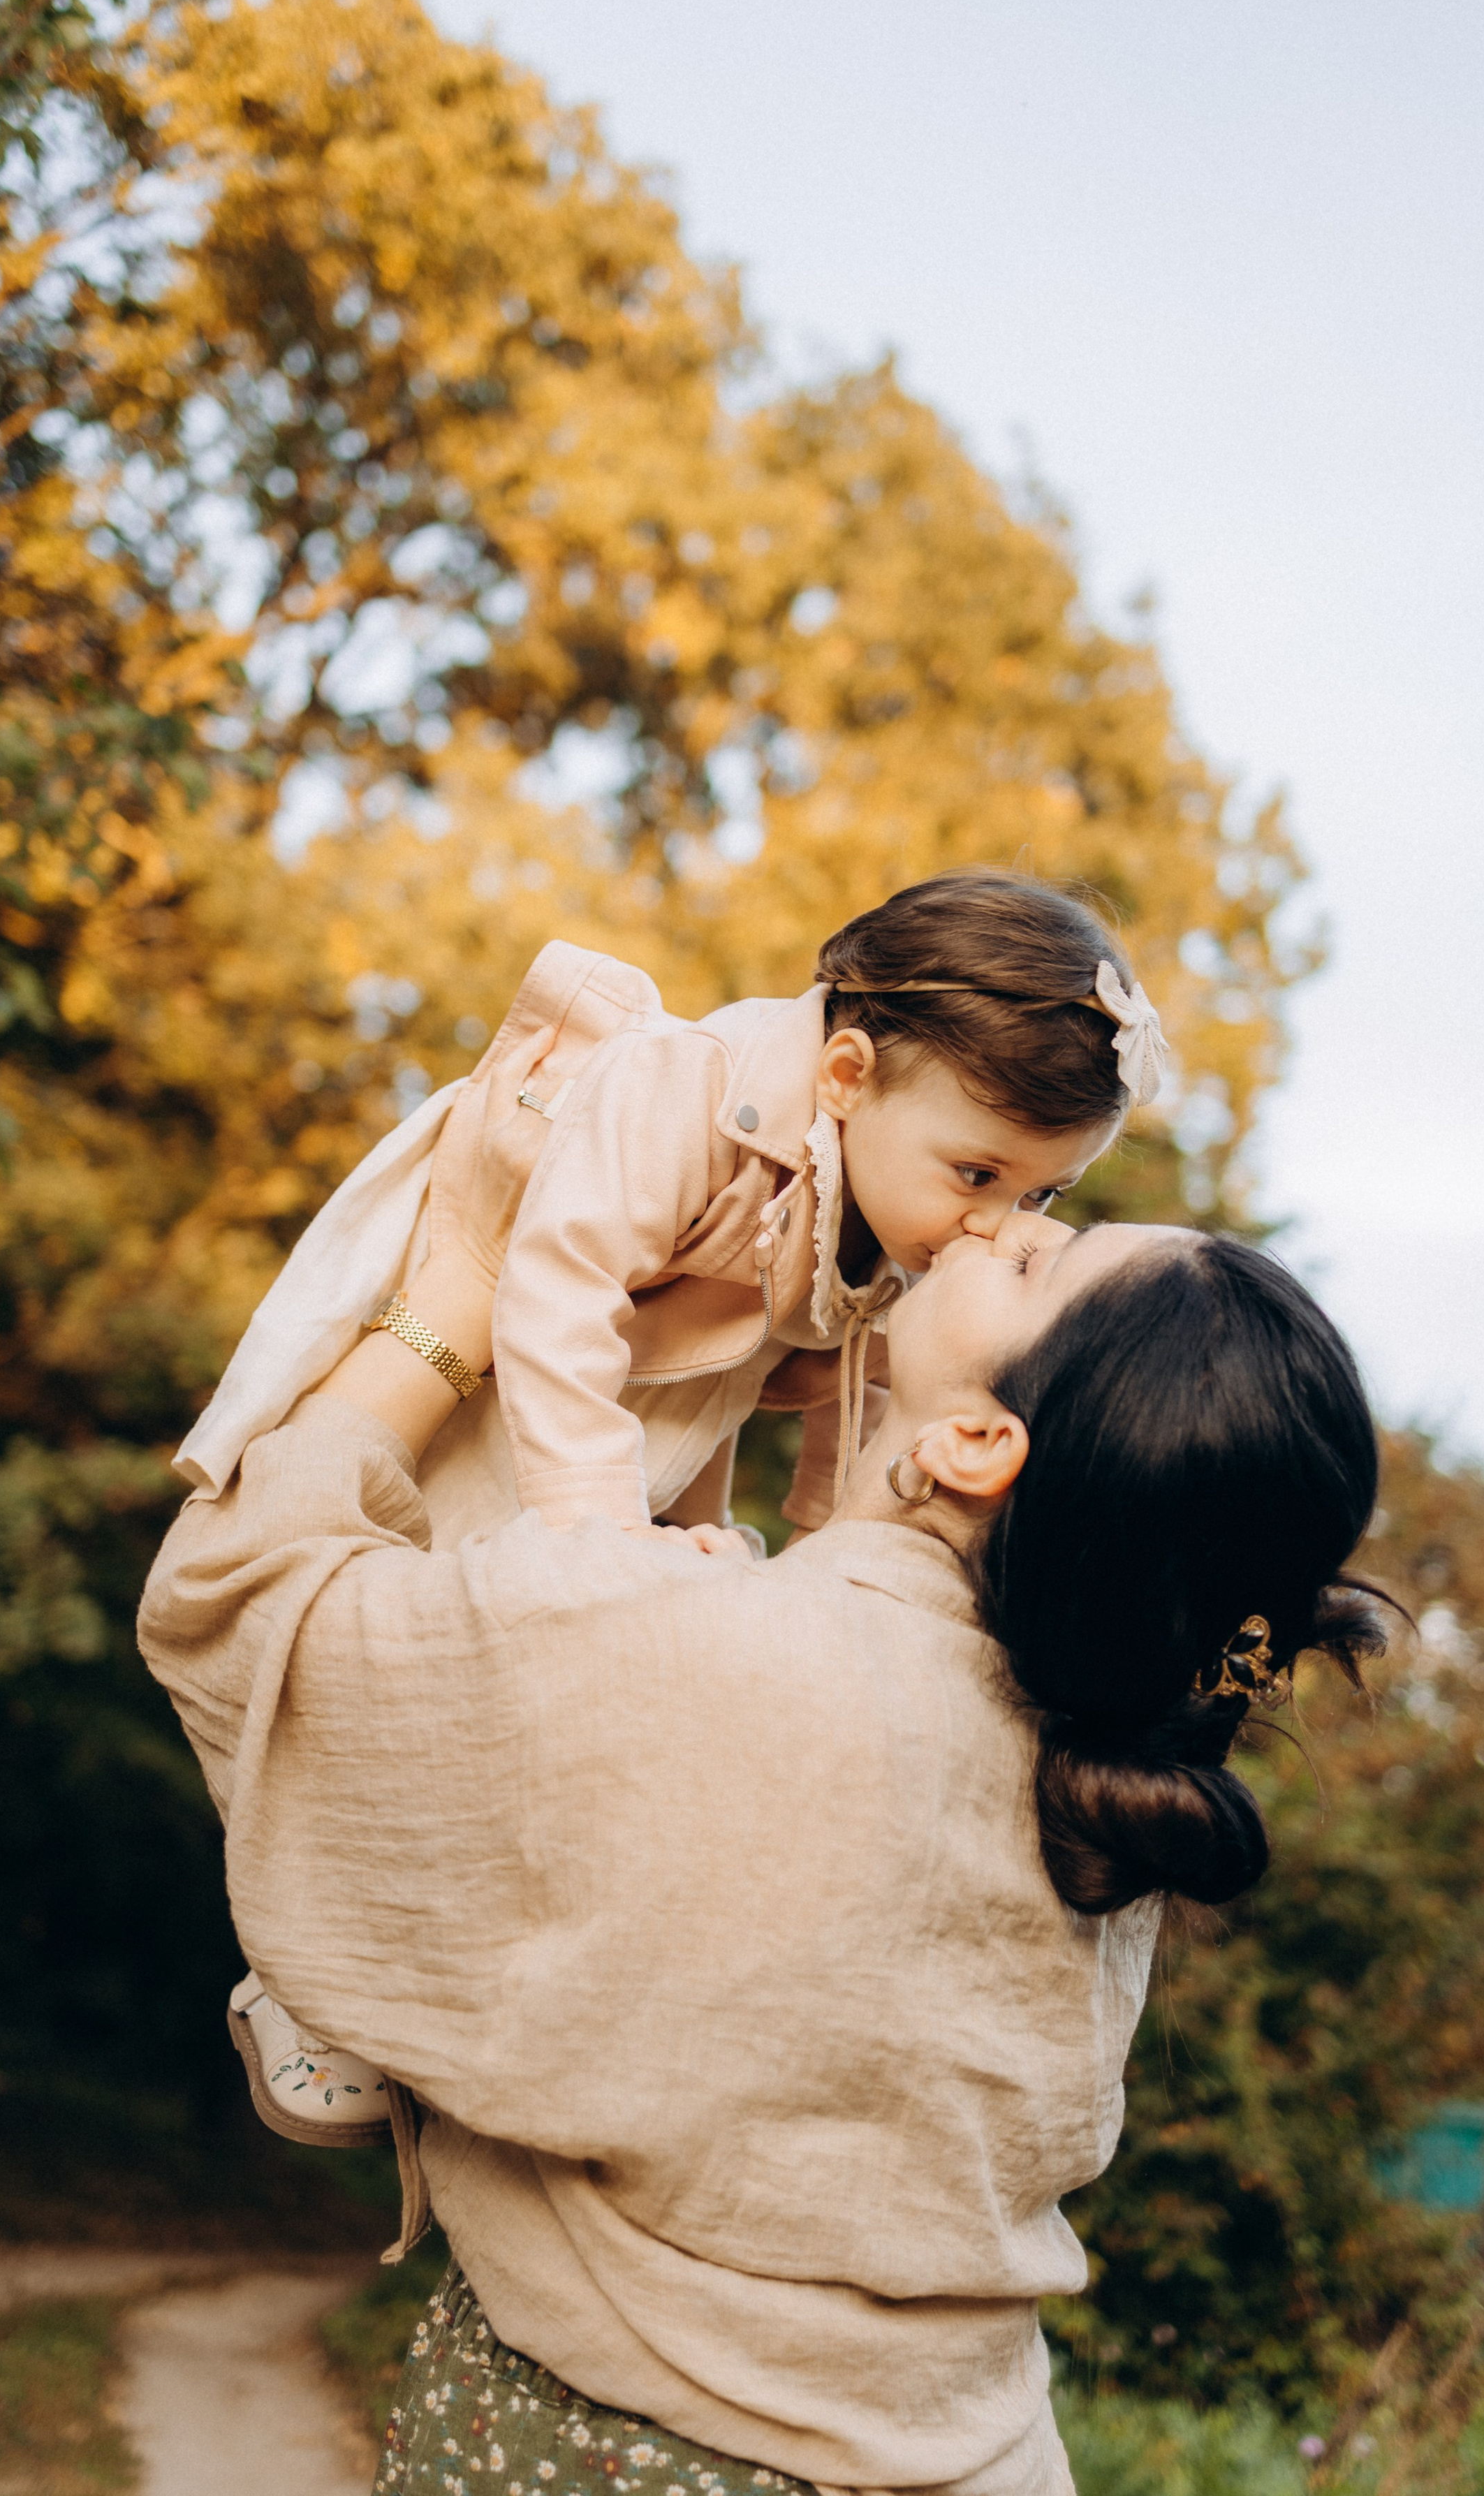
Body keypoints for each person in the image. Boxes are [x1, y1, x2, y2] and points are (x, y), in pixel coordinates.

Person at [139, 1029, 1386, 2496]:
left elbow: (236, 1596)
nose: (999, 1219)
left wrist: (459, 1292)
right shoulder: (1094, 1792)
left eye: (1043, 1259)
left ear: (982, 1439)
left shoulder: (693, 1652)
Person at [173, 870, 1170, 2142]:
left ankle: (400, 1965)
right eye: (979, 1173)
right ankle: (300, 1963)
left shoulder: (889, 1202)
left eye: (1037, 1198)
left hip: (638, 1438)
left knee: (566, 1716)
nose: (990, 1226)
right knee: (420, 1654)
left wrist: (817, 1552)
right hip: (519, 1408)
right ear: (851, 1073)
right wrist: (595, 1537)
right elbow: (555, 1284)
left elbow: (842, 1396)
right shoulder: (679, 1090)